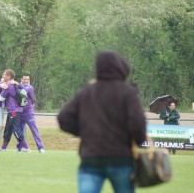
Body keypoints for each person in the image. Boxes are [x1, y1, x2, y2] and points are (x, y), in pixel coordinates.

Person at [57, 50, 147, 193]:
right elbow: (137, 122)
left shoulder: (87, 91)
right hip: (121, 157)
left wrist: (84, 133)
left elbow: (63, 118)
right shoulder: (127, 92)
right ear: (120, 67)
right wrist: (140, 141)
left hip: (91, 157)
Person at [0, 69, 30, 152]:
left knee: (15, 129)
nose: (3, 76)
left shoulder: (9, 85)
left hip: (14, 111)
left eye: (4, 75)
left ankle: (26, 148)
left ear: (8, 76)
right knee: (8, 129)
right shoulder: (13, 84)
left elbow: (1, 98)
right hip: (12, 111)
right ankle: (3, 148)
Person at [16, 74, 45, 153]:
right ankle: (19, 148)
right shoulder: (16, 87)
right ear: (21, 79)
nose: (26, 81)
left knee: (34, 130)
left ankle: (40, 148)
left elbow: (32, 98)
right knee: (20, 131)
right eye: (24, 79)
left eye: (27, 79)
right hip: (19, 113)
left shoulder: (30, 87)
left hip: (29, 113)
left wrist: (31, 105)